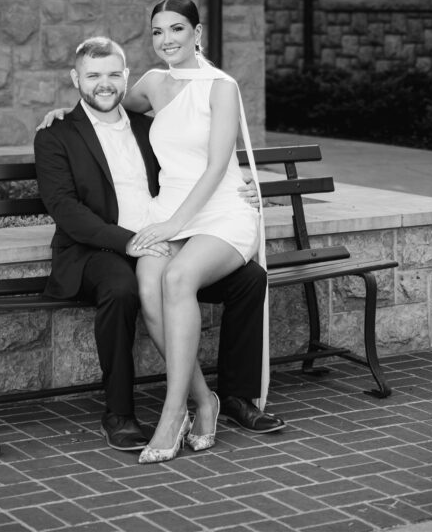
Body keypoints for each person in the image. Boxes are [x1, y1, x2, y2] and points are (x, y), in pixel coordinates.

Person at [33, 27, 283, 457]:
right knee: (121, 288)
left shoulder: (150, 128)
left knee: (249, 278)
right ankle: (120, 414)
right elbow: (66, 210)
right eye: (93, 76)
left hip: (162, 238)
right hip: (97, 249)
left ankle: (235, 396)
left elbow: (197, 164)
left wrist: (242, 186)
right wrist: (129, 242)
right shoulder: (56, 134)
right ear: (76, 80)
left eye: (113, 74)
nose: (104, 84)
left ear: (126, 77)